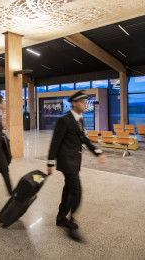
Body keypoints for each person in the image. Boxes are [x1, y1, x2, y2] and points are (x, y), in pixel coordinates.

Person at [47, 90, 107, 242]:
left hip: (75, 161)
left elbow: (84, 139)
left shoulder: (80, 119)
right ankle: (71, 221)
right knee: (76, 191)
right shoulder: (64, 120)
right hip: (67, 162)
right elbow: (55, 141)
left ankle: (61, 218)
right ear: (74, 103)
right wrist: (50, 162)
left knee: (68, 190)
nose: (85, 104)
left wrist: (97, 152)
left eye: (86, 101)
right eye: (82, 102)